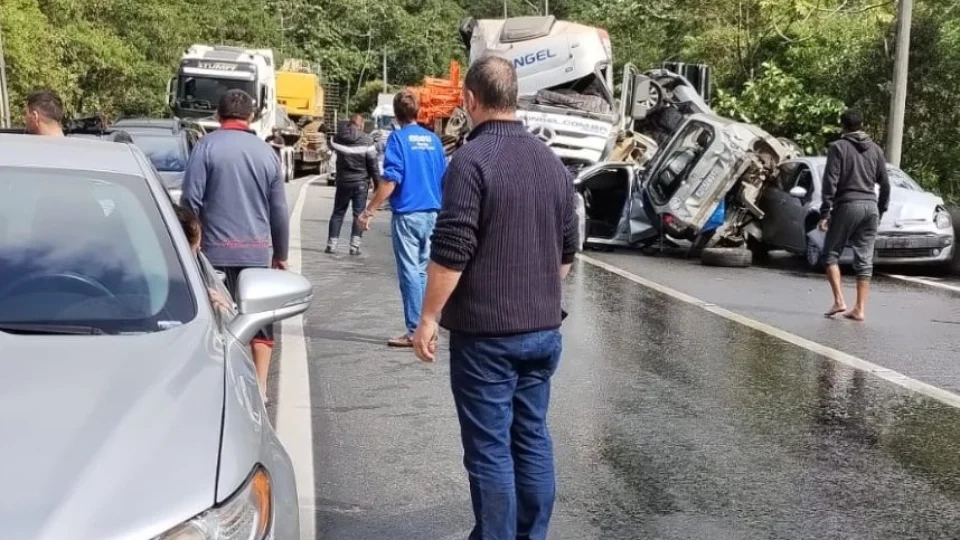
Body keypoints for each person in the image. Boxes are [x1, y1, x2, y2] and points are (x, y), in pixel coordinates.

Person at [411, 56, 579, 540]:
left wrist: (427, 318)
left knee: (489, 450)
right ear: (515, 97)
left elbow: (451, 253)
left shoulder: (470, 161)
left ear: (470, 100)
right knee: (531, 438)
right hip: (543, 330)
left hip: (487, 337)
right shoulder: (552, 163)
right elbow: (566, 253)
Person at [180, 89, 290, 401]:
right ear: (252, 117)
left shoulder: (205, 147)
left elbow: (190, 199)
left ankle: (223, 383)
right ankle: (261, 386)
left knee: (216, 317)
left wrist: (192, 240)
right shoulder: (266, 153)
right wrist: (280, 254)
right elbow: (278, 210)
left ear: (218, 115)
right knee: (260, 319)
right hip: (256, 251)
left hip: (213, 251)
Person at [358, 91, 446, 347]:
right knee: (422, 271)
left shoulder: (398, 139)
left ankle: (414, 330)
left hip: (408, 213)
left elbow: (390, 180)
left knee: (409, 271)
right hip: (433, 212)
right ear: (418, 111)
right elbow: (444, 176)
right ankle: (428, 324)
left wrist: (369, 210)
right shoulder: (434, 141)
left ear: (396, 115)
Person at [819, 108, 890, 322]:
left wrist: (825, 212)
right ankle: (859, 309)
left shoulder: (838, 148)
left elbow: (830, 181)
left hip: (848, 204)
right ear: (861, 125)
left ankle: (839, 300)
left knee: (830, 254)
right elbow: (885, 184)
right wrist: (881, 208)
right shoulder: (876, 150)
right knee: (864, 259)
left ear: (843, 126)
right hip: (871, 207)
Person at [327, 114, 380, 255]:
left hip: (343, 182)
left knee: (338, 213)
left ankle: (331, 245)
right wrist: (377, 184)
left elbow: (330, 143)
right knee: (358, 214)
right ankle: (354, 247)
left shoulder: (338, 138)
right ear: (361, 125)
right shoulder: (367, 141)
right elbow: (373, 165)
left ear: (349, 123)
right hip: (361, 183)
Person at [173, 203, 232, 312]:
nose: (199, 254)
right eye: (196, 250)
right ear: (181, 248)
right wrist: (223, 309)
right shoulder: (192, 295)